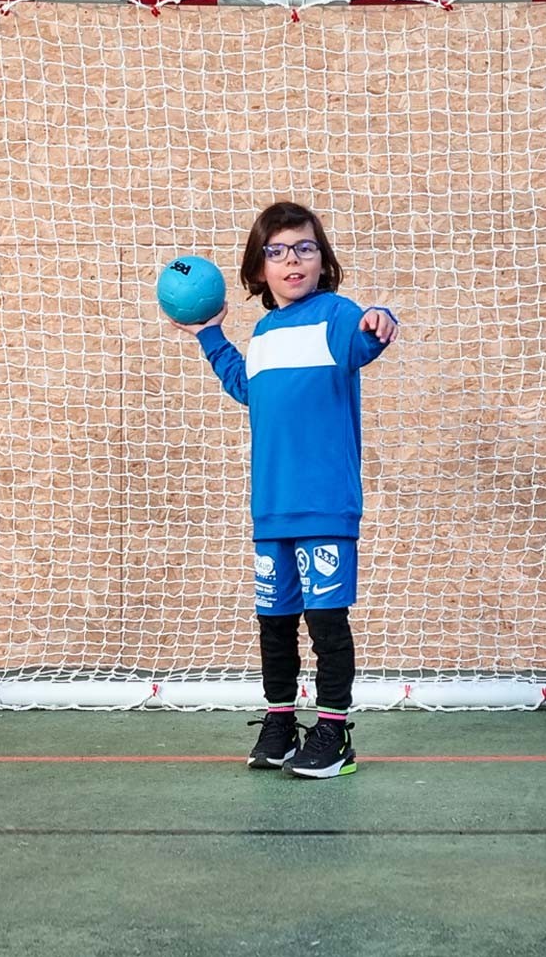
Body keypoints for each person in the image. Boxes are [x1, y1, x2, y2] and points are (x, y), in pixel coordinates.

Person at [168, 201, 398, 779]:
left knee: (326, 623)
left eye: (305, 248)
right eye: (277, 251)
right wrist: (209, 334)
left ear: (323, 260)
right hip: (272, 508)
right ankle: (279, 723)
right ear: (258, 268)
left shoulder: (337, 316)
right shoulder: (265, 333)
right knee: (274, 624)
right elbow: (247, 388)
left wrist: (380, 318)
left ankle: (334, 734)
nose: (292, 260)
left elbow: (366, 337)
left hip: (324, 505)